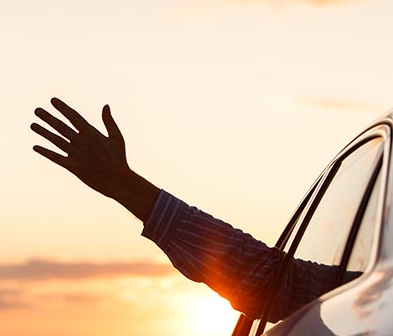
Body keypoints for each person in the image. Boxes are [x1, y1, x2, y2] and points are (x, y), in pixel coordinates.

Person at [31, 98, 341, 322]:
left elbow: (270, 283)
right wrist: (125, 186)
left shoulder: (361, 300)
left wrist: (126, 187)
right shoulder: (364, 298)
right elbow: (274, 282)